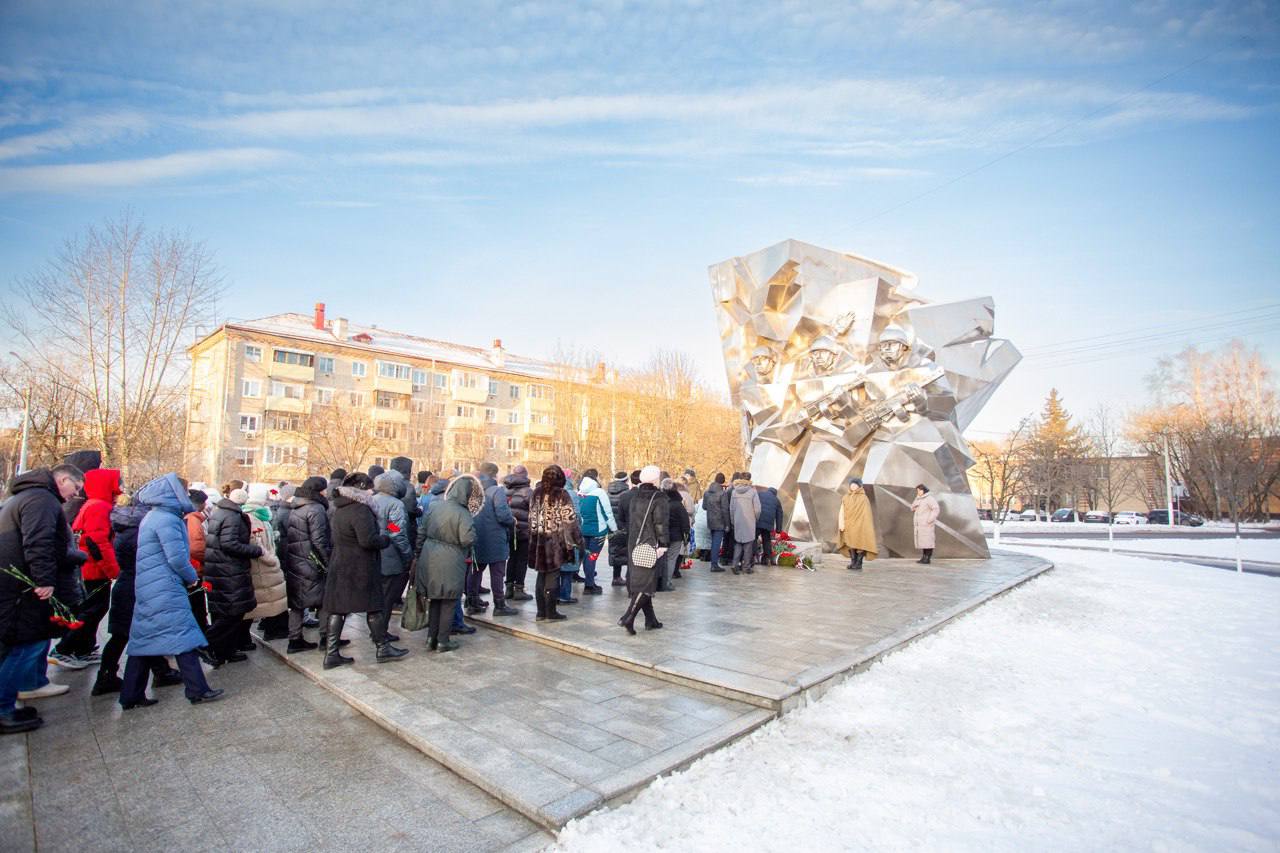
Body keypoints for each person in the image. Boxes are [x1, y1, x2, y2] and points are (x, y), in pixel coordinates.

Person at [119, 474, 223, 709]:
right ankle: (198, 689)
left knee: (144, 641)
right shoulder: (168, 519)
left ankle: (130, 695)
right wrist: (191, 578)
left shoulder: (153, 517)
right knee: (183, 637)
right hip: (165, 587)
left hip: (150, 586)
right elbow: (177, 557)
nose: (185, 496)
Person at [0, 465, 85, 733]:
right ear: (62, 480)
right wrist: (44, 580)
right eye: (76, 487)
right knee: (26, 645)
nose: (76, 494)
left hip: (17, 587)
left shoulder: (27, 497)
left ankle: (9, 702)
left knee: (23, 644)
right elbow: (39, 541)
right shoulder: (41, 499)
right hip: (23, 590)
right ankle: (3, 709)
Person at [92, 494, 183, 695]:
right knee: (139, 632)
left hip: (128, 584)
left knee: (124, 634)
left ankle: (108, 676)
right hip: (140, 586)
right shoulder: (141, 531)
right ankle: (159, 672)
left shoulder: (125, 528)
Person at [323, 473, 407, 668]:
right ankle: (383, 647)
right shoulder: (363, 508)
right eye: (369, 487)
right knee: (374, 606)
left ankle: (331, 653)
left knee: (338, 609)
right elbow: (372, 537)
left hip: (341, 563)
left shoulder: (339, 507)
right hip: (360, 566)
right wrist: (386, 540)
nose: (372, 490)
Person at [50, 467, 122, 667]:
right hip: (94, 570)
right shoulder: (100, 507)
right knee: (93, 610)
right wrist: (113, 570)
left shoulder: (93, 505)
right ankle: (65, 648)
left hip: (90, 568)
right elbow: (97, 541)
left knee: (93, 609)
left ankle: (82, 649)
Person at [416, 474, 480, 652]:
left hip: (430, 556)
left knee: (435, 599)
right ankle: (443, 640)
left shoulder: (435, 506)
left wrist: (418, 554)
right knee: (449, 600)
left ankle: (431, 638)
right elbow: (467, 538)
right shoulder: (462, 512)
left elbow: (421, 531)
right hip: (452, 559)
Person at [203, 483, 262, 665]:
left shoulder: (220, 512)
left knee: (228, 611)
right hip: (229, 570)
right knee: (233, 612)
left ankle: (224, 651)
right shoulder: (233, 516)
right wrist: (254, 550)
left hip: (220, 568)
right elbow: (229, 543)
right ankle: (207, 643)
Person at [529, 465, 582, 622]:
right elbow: (570, 521)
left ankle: (540, 612)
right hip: (555, 542)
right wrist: (577, 541)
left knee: (541, 574)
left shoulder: (536, 493)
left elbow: (531, 518)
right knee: (553, 575)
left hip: (538, 540)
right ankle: (550, 612)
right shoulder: (562, 494)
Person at [283, 476, 330, 653]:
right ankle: (327, 637)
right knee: (324, 601)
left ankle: (294, 639)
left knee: (297, 603)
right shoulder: (316, 509)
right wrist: (327, 562)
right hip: (312, 563)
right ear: (319, 491)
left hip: (297, 561)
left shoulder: (296, 507)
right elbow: (319, 540)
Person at [618, 466, 667, 635]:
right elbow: (660, 523)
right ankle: (628, 617)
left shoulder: (633, 496)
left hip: (635, 543)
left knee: (641, 581)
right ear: (655, 480)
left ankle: (650, 620)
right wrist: (663, 544)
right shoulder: (658, 497)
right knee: (647, 584)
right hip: (651, 544)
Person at [470, 462, 515, 616]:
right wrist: (512, 520)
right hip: (495, 538)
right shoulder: (497, 491)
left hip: (476, 537)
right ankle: (500, 604)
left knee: (476, 571)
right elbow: (503, 515)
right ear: (494, 474)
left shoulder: (473, 490)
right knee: (497, 573)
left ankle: (472, 602)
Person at [372, 472, 412, 637]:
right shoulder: (395, 504)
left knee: (375, 597)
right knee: (387, 598)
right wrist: (408, 554)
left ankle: (375, 629)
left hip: (373, 555)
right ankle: (381, 632)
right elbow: (397, 531)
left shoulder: (372, 500)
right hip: (390, 556)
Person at [244, 484, 287, 638]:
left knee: (272, 599)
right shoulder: (252, 517)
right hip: (262, 565)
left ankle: (271, 629)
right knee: (268, 599)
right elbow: (255, 542)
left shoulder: (261, 515)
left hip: (267, 564)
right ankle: (271, 631)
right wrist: (272, 559)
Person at [576, 469, 617, 595]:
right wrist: (614, 529)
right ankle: (589, 585)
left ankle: (589, 582)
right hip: (597, 532)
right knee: (592, 557)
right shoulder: (599, 493)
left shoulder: (579, 493)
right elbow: (607, 513)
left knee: (586, 556)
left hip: (583, 531)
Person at [502, 465, 534, 603]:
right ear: (525, 475)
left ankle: (508, 588)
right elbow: (534, 512)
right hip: (524, 531)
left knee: (512, 559)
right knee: (522, 560)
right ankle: (519, 589)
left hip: (510, 529)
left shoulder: (505, 489)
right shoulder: (528, 492)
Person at [185, 489, 210, 634]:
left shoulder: (192, 518)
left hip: (194, 567)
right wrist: (208, 557)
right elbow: (196, 547)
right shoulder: (193, 520)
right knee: (197, 604)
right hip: (195, 568)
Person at [838, 478, 877, 571]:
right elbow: (842, 511)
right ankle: (853, 562)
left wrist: (864, 525)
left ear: (859, 486)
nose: (853, 486)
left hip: (860, 525)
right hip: (849, 524)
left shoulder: (863, 498)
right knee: (850, 543)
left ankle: (859, 563)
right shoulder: (846, 497)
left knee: (860, 543)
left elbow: (866, 514)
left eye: (855, 485)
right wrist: (841, 523)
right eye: (852, 484)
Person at [658, 478, 689, 592]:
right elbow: (685, 521)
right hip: (676, 536)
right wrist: (686, 535)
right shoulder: (678, 505)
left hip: (661, 534)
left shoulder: (660, 502)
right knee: (671, 559)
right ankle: (667, 582)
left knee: (662, 558)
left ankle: (660, 581)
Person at [729, 474, 761, 574]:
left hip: (738, 520)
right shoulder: (753, 492)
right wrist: (756, 519)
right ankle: (746, 567)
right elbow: (758, 509)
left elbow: (731, 508)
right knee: (748, 544)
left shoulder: (734, 491)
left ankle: (735, 564)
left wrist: (733, 520)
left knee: (738, 543)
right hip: (749, 520)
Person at [606, 472, 631, 587]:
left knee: (615, 550)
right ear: (626, 480)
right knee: (627, 551)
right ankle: (627, 577)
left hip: (612, 527)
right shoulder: (627, 493)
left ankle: (616, 577)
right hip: (624, 526)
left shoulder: (607, 493)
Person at [702, 473, 729, 572]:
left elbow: (704, 507)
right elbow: (725, 510)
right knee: (716, 543)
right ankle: (714, 564)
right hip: (720, 521)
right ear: (723, 481)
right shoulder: (723, 493)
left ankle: (713, 563)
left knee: (714, 542)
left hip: (710, 520)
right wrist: (727, 524)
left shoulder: (707, 493)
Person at [755, 485, 784, 566]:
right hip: (768, 524)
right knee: (766, 540)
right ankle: (767, 559)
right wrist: (778, 530)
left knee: (754, 538)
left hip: (758, 521)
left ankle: (753, 557)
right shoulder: (776, 500)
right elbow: (779, 516)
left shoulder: (760, 494)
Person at [912, 484, 940, 564]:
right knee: (923, 542)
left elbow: (936, 509)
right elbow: (912, 508)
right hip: (920, 525)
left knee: (928, 541)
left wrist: (929, 520)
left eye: (919, 490)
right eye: (917, 490)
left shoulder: (929, 499)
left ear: (924, 490)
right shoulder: (918, 499)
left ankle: (927, 558)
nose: (918, 492)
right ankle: (924, 557)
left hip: (927, 524)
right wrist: (916, 502)